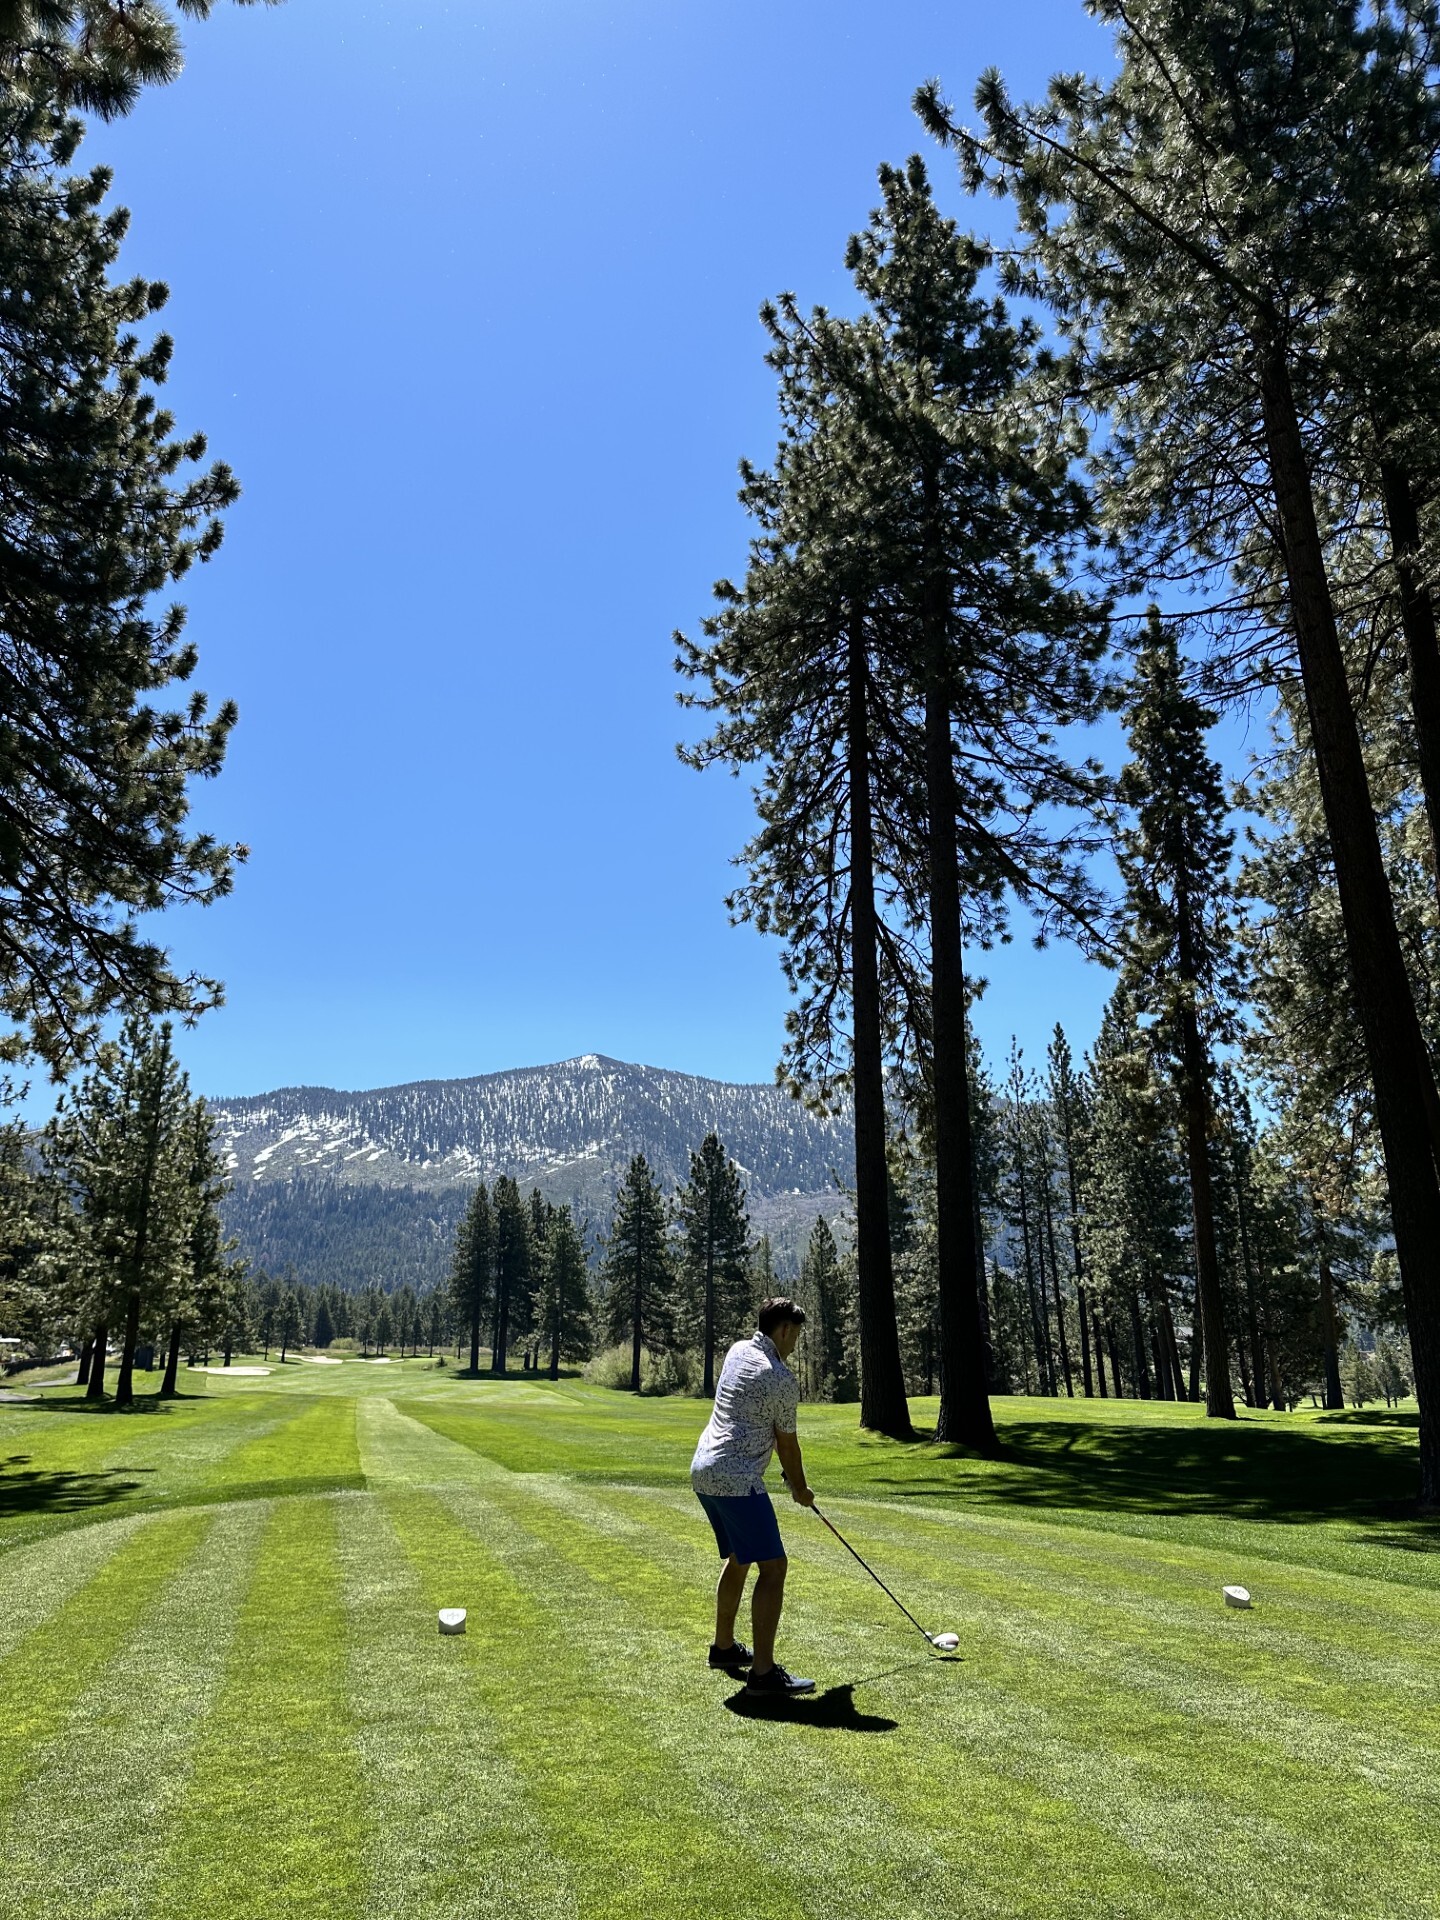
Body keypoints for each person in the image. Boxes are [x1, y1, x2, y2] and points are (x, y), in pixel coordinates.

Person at [690, 1296, 816, 1696]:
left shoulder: (738, 1350)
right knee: (774, 1568)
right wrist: (799, 1488)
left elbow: (751, 1416)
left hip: (704, 1470)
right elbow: (788, 1445)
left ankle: (724, 1648)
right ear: (783, 1330)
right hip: (737, 1478)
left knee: (740, 1559)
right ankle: (762, 1674)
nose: (795, 1342)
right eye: (794, 1333)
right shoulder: (780, 1378)